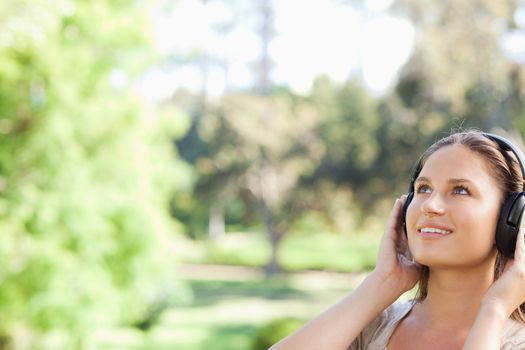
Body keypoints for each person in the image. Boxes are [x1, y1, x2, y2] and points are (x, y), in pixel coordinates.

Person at [270, 130, 525, 349]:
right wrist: (381, 284)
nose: (430, 205)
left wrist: (495, 309)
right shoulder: (370, 328)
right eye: (423, 189)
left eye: (460, 190)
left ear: (510, 218)